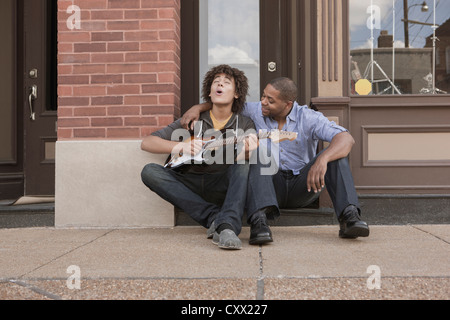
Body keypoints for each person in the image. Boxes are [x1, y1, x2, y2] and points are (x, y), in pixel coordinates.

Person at [181, 77, 370, 243]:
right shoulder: (256, 110)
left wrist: (323, 159)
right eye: (263, 96)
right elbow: (227, 103)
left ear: (288, 104)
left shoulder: (309, 117)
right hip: (270, 185)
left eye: (270, 100)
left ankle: (349, 217)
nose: (263, 102)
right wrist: (198, 107)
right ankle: (259, 222)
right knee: (257, 150)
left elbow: (346, 138)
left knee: (336, 156)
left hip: (303, 186)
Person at [141, 65, 258, 250]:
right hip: (188, 181)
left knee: (243, 163)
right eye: (216, 82)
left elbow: (245, 157)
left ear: (236, 94)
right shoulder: (193, 120)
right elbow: (147, 142)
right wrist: (182, 146)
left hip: (220, 182)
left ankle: (228, 226)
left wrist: (248, 150)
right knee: (149, 171)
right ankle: (213, 217)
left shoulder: (243, 123)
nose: (220, 84)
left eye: (226, 83)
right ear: (209, 92)